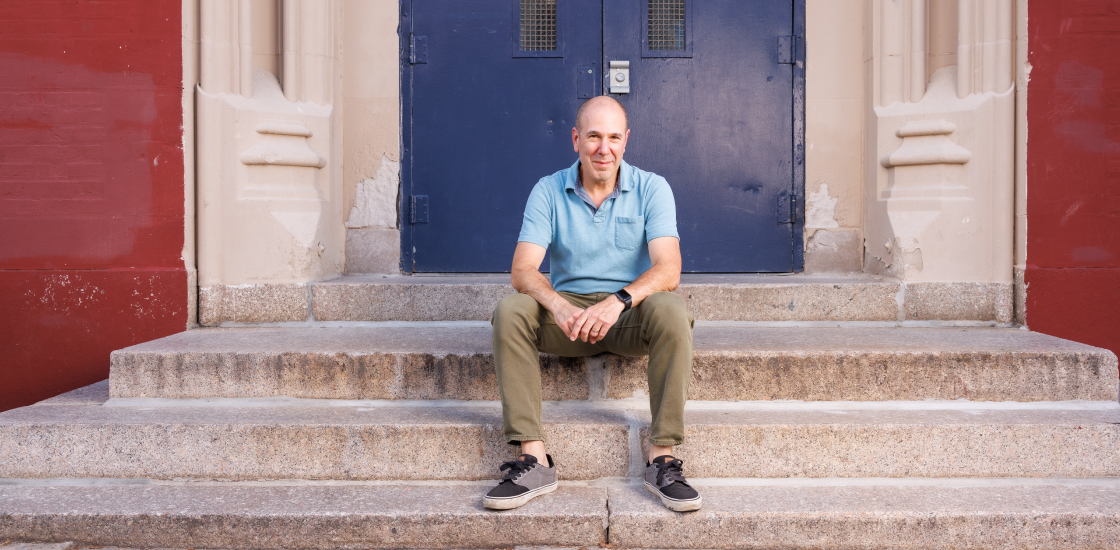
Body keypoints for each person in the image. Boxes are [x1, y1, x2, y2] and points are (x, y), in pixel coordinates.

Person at [483, 96, 700, 512]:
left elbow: (669, 270)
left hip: (628, 317)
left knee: (672, 309)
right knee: (511, 310)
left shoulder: (652, 188)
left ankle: (663, 457)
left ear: (626, 140)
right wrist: (557, 304)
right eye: (594, 136)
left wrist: (618, 301)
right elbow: (523, 270)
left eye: (614, 137)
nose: (605, 148)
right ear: (575, 139)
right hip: (569, 321)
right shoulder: (548, 189)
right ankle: (534, 456)